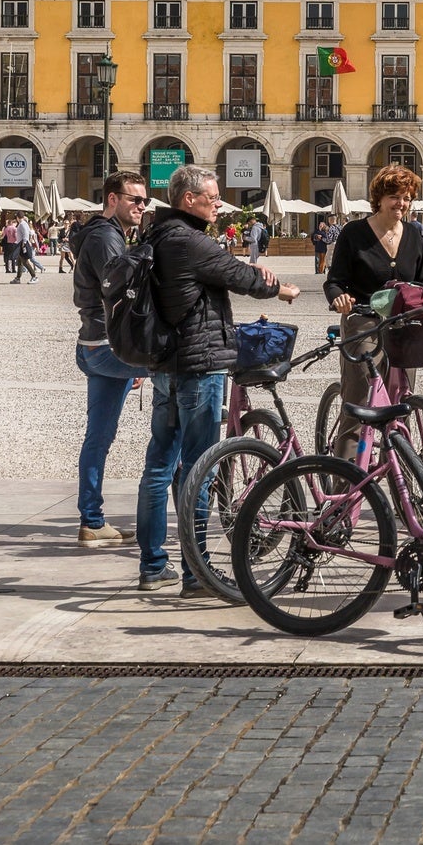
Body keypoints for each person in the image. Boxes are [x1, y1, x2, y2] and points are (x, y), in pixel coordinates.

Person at [136, 163, 297, 595]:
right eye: (212, 197)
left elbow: (223, 271)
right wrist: (279, 288)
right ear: (188, 199)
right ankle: (197, 574)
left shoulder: (155, 234)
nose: (219, 203)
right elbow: (239, 275)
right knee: (199, 470)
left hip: (165, 367)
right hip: (199, 366)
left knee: (158, 468)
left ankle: (153, 567)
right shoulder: (190, 241)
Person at [323, 163, 423, 457]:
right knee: (359, 402)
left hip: (404, 325)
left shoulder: (413, 234)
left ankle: (403, 485)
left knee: (401, 401)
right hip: (364, 320)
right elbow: (335, 282)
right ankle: (344, 493)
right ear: (380, 199)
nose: (402, 204)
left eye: (407, 198)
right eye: (395, 197)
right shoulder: (354, 233)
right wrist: (339, 299)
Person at [73, 171, 152, 548]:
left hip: (95, 346)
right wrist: (133, 353)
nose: (141, 206)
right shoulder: (106, 237)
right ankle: (183, 502)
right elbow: (118, 295)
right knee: (184, 373)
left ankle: (92, 521)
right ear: (112, 198)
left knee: (99, 437)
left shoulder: (104, 234)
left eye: (144, 201)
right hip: (106, 346)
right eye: (134, 199)